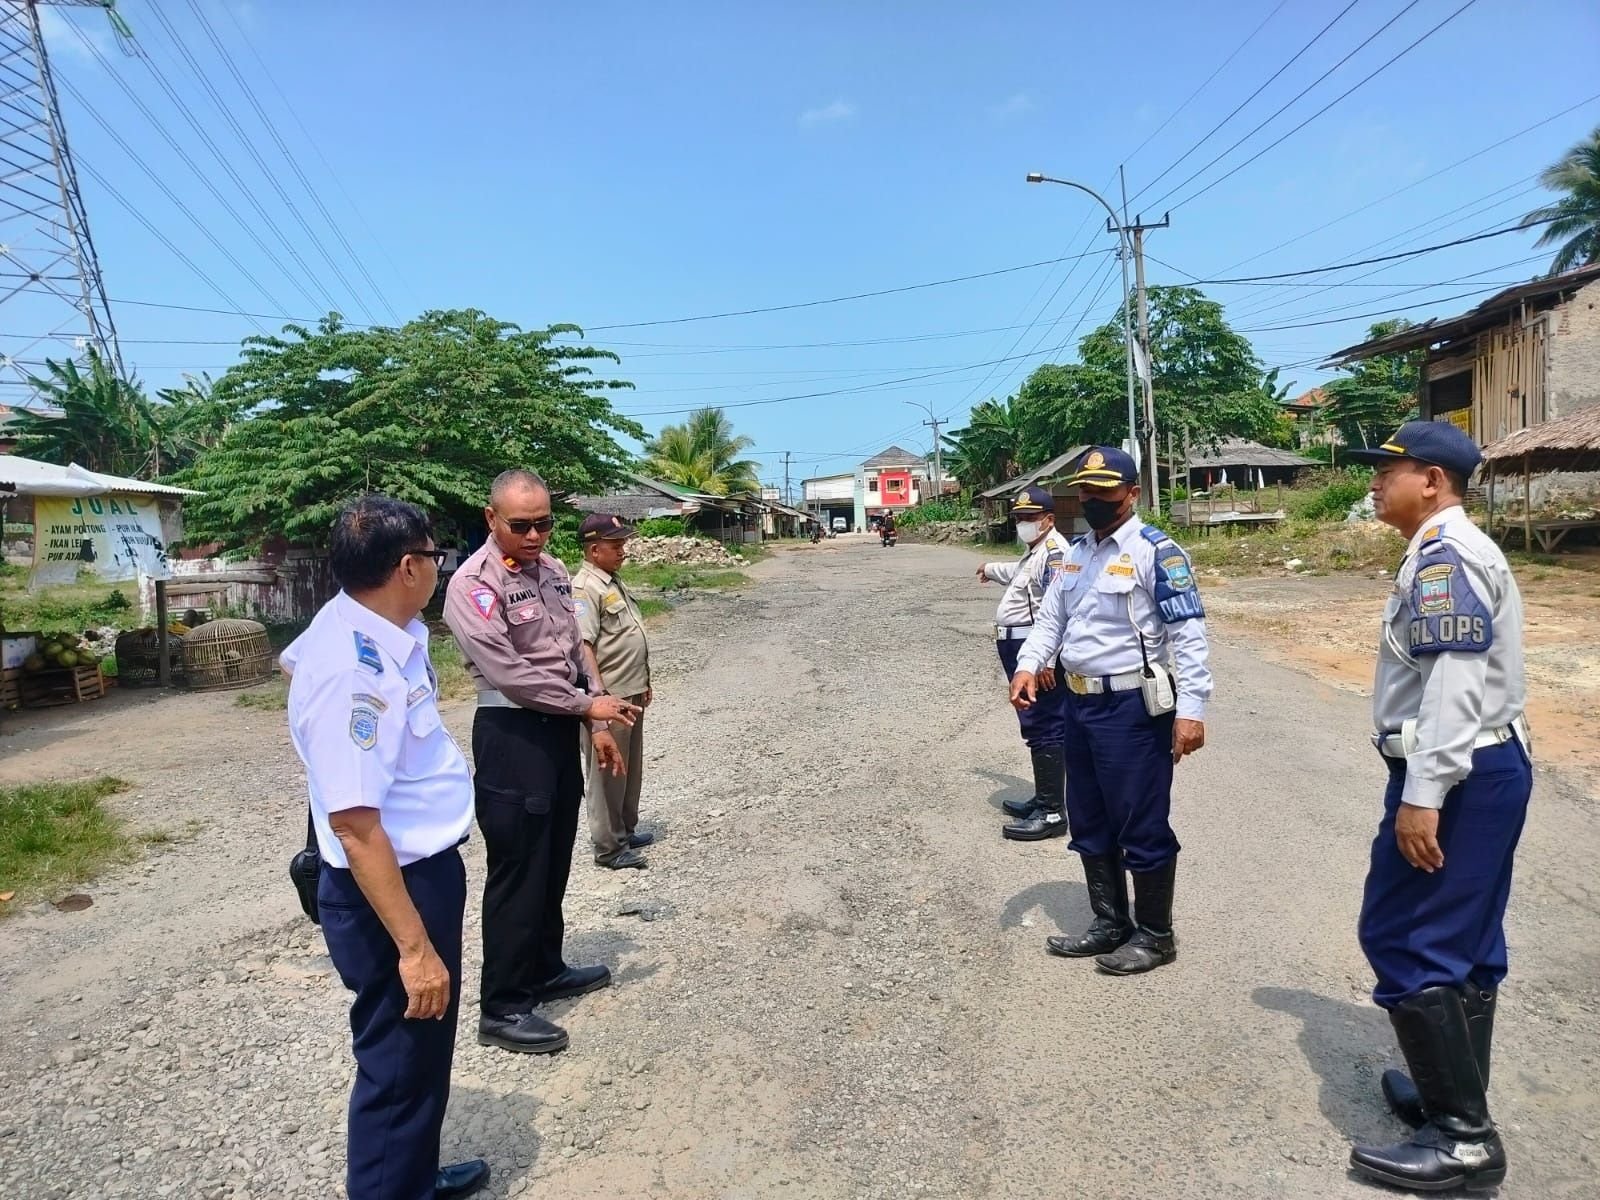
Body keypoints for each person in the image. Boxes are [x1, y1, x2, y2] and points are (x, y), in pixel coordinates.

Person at [279, 496, 489, 1200]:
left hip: (418, 871)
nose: (438, 567)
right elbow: (356, 826)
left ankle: (412, 1178)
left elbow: (292, 660)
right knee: (399, 1060)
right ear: (408, 567)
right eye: (435, 556)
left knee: (422, 1053)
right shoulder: (352, 672)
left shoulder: (367, 624)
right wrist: (414, 948)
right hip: (391, 887)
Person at [1339, 422, 1530, 1193]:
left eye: (1391, 471)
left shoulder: (1446, 558)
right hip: (1481, 766)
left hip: (1458, 773)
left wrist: (1423, 795)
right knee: (1468, 941)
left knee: (1402, 933)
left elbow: (1454, 685)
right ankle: (1453, 1097)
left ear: (1435, 481)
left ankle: (1463, 1140)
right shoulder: (1440, 551)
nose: (1376, 483)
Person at [443, 469, 640, 1055]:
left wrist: (594, 720)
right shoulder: (473, 586)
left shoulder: (552, 572)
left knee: (553, 859)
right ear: (491, 519)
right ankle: (503, 1005)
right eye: (521, 525)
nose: (534, 536)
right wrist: (586, 704)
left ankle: (545, 969)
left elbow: (576, 653)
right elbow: (511, 674)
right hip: (512, 733)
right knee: (518, 870)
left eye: (544, 523)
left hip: (558, 728)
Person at [1010, 446, 1210, 976]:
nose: (1093, 499)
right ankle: (1109, 922)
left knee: (1140, 820)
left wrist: (1192, 710)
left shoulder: (1156, 552)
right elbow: (1052, 620)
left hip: (1132, 709)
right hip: (1078, 703)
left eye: (1105, 490)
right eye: (1087, 490)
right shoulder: (1076, 553)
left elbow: (1188, 637)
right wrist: (1029, 665)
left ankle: (1155, 935)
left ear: (1132, 493)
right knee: (1090, 815)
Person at [975, 485, 1073, 841]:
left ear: (1048, 520)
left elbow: (1055, 608)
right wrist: (989, 567)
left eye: (1029, 518)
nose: (1022, 524)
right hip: (1021, 647)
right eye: (1018, 518)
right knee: (1035, 724)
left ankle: (1051, 812)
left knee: (1044, 723)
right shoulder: (1036, 552)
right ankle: (1044, 798)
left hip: (1035, 650)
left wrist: (1045, 660)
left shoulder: (1056, 552)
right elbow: (1020, 577)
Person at [571, 512, 655, 870]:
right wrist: (599, 697)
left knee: (629, 768)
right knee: (608, 772)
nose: (623, 550)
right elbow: (584, 646)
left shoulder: (610, 581)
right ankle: (609, 846)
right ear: (594, 549)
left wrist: (644, 682)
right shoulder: (585, 588)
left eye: (622, 543)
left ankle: (625, 829)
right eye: (615, 544)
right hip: (609, 698)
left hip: (629, 690)